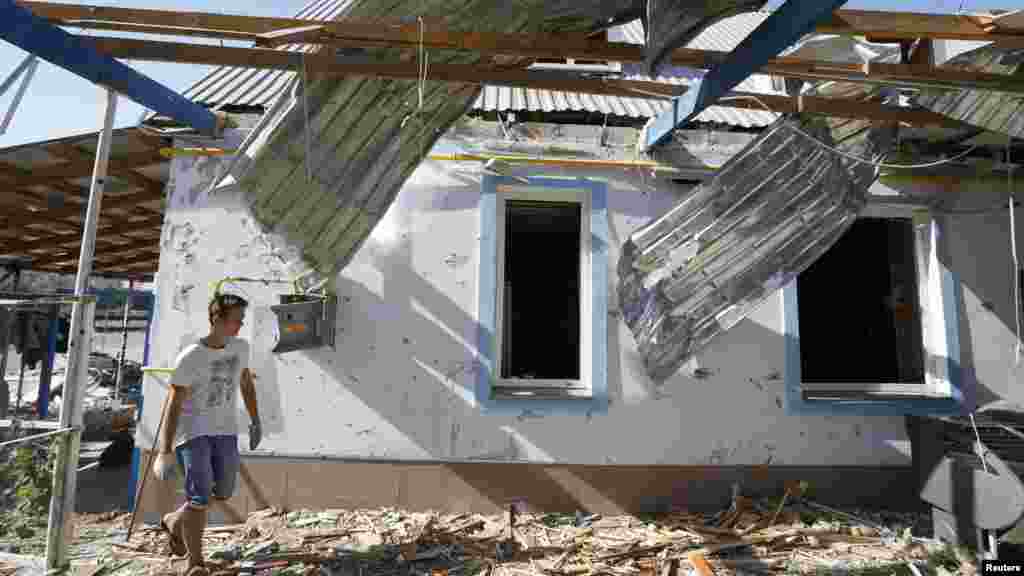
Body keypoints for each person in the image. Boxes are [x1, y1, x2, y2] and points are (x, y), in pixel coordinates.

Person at [153, 292, 263, 575]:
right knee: (200, 498)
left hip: (225, 431)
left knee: (223, 491)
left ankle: (176, 521)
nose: (240, 326)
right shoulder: (191, 357)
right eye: (236, 320)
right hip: (194, 434)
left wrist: (255, 420)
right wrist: (164, 451)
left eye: (241, 320)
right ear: (217, 320)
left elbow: (245, 383)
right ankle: (195, 562)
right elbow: (174, 404)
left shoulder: (240, 348)